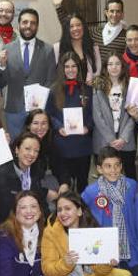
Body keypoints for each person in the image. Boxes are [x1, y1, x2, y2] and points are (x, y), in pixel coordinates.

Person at [41, 191, 138, 276]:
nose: (62, 213)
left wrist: (107, 263)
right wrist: (65, 263)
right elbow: (47, 269)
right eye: (59, 210)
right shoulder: (50, 232)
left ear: (79, 211)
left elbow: (100, 272)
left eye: (67, 208)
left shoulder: (91, 229)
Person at [83, 147, 138, 276]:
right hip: (105, 246)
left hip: (129, 242)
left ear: (122, 166)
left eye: (117, 165)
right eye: (108, 166)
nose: (113, 170)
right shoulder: (91, 191)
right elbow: (80, 211)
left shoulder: (132, 185)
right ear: (99, 169)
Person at [0, 132, 48, 243]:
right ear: (17, 150)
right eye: (27, 149)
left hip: (23, 227)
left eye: (36, 151)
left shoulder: (35, 171)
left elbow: (40, 200)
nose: (32, 154)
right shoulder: (0, 174)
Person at [0, 8, 57, 137]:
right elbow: (1, 83)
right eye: (25, 22)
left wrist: (39, 102)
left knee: (38, 150)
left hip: (38, 113)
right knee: (16, 148)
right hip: (14, 111)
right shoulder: (7, 49)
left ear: (37, 26)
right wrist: (2, 65)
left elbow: (51, 80)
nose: (28, 26)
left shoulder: (47, 50)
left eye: (32, 23)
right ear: (18, 25)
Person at [45, 52, 93, 194]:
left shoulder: (88, 90)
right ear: (62, 69)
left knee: (83, 183)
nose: (70, 70)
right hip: (62, 146)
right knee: (65, 186)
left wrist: (88, 127)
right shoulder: (54, 90)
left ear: (78, 68)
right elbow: (49, 114)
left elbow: (92, 114)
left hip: (82, 145)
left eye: (74, 66)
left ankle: (83, 211)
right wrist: (59, 126)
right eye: (67, 66)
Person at [92, 52, 136, 179]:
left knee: (129, 175)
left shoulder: (130, 86)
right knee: (105, 177)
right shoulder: (97, 87)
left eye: (117, 64)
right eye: (110, 64)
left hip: (125, 140)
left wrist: (123, 138)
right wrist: (111, 139)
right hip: (103, 140)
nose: (114, 67)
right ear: (105, 67)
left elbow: (133, 115)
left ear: (122, 66)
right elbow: (97, 116)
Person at [53, 0, 126, 65]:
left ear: (122, 14)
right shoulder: (95, 31)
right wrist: (58, 7)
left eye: (118, 11)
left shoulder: (126, 36)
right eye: (112, 11)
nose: (114, 14)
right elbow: (71, 27)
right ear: (106, 13)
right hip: (95, 75)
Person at [54, 11, 101, 84]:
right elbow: (53, 73)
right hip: (64, 92)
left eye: (78, 25)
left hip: (88, 92)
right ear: (67, 30)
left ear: (83, 27)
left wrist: (93, 81)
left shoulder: (93, 47)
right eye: (71, 26)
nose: (75, 28)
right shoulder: (58, 48)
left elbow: (97, 72)